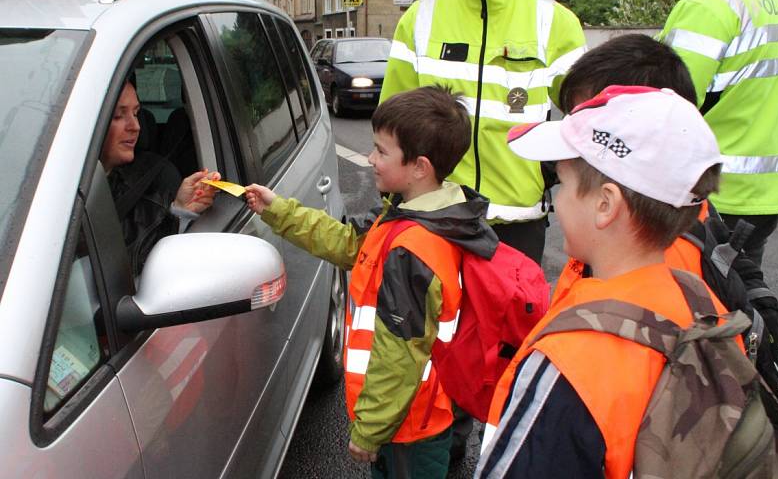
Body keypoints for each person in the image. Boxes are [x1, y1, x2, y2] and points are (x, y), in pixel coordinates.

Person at [475, 86, 730, 478]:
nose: (556, 201)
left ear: (605, 205)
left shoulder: (571, 359)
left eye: (561, 182)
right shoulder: (701, 301)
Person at [244, 86, 497, 478]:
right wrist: (279, 211)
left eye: (381, 151)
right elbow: (349, 244)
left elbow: (399, 354)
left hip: (409, 428)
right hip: (411, 416)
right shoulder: (416, 216)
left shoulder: (413, 249)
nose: (370, 158)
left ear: (420, 167)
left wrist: (369, 431)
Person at [379, 0, 586, 265]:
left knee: (511, 328)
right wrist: (393, 200)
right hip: (437, 216)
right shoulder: (419, 20)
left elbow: (590, 118)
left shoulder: (555, 21)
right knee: (440, 327)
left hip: (518, 219)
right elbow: (392, 123)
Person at [645, 0, 778, 269]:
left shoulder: (707, 4)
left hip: (712, 195)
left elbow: (667, 102)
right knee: (740, 300)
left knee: (697, 310)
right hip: (767, 194)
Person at [101, 79, 219, 275]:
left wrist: (180, 212)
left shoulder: (156, 181)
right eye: (118, 116)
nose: (136, 126)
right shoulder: (50, 187)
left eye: (136, 113)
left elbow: (145, 270)